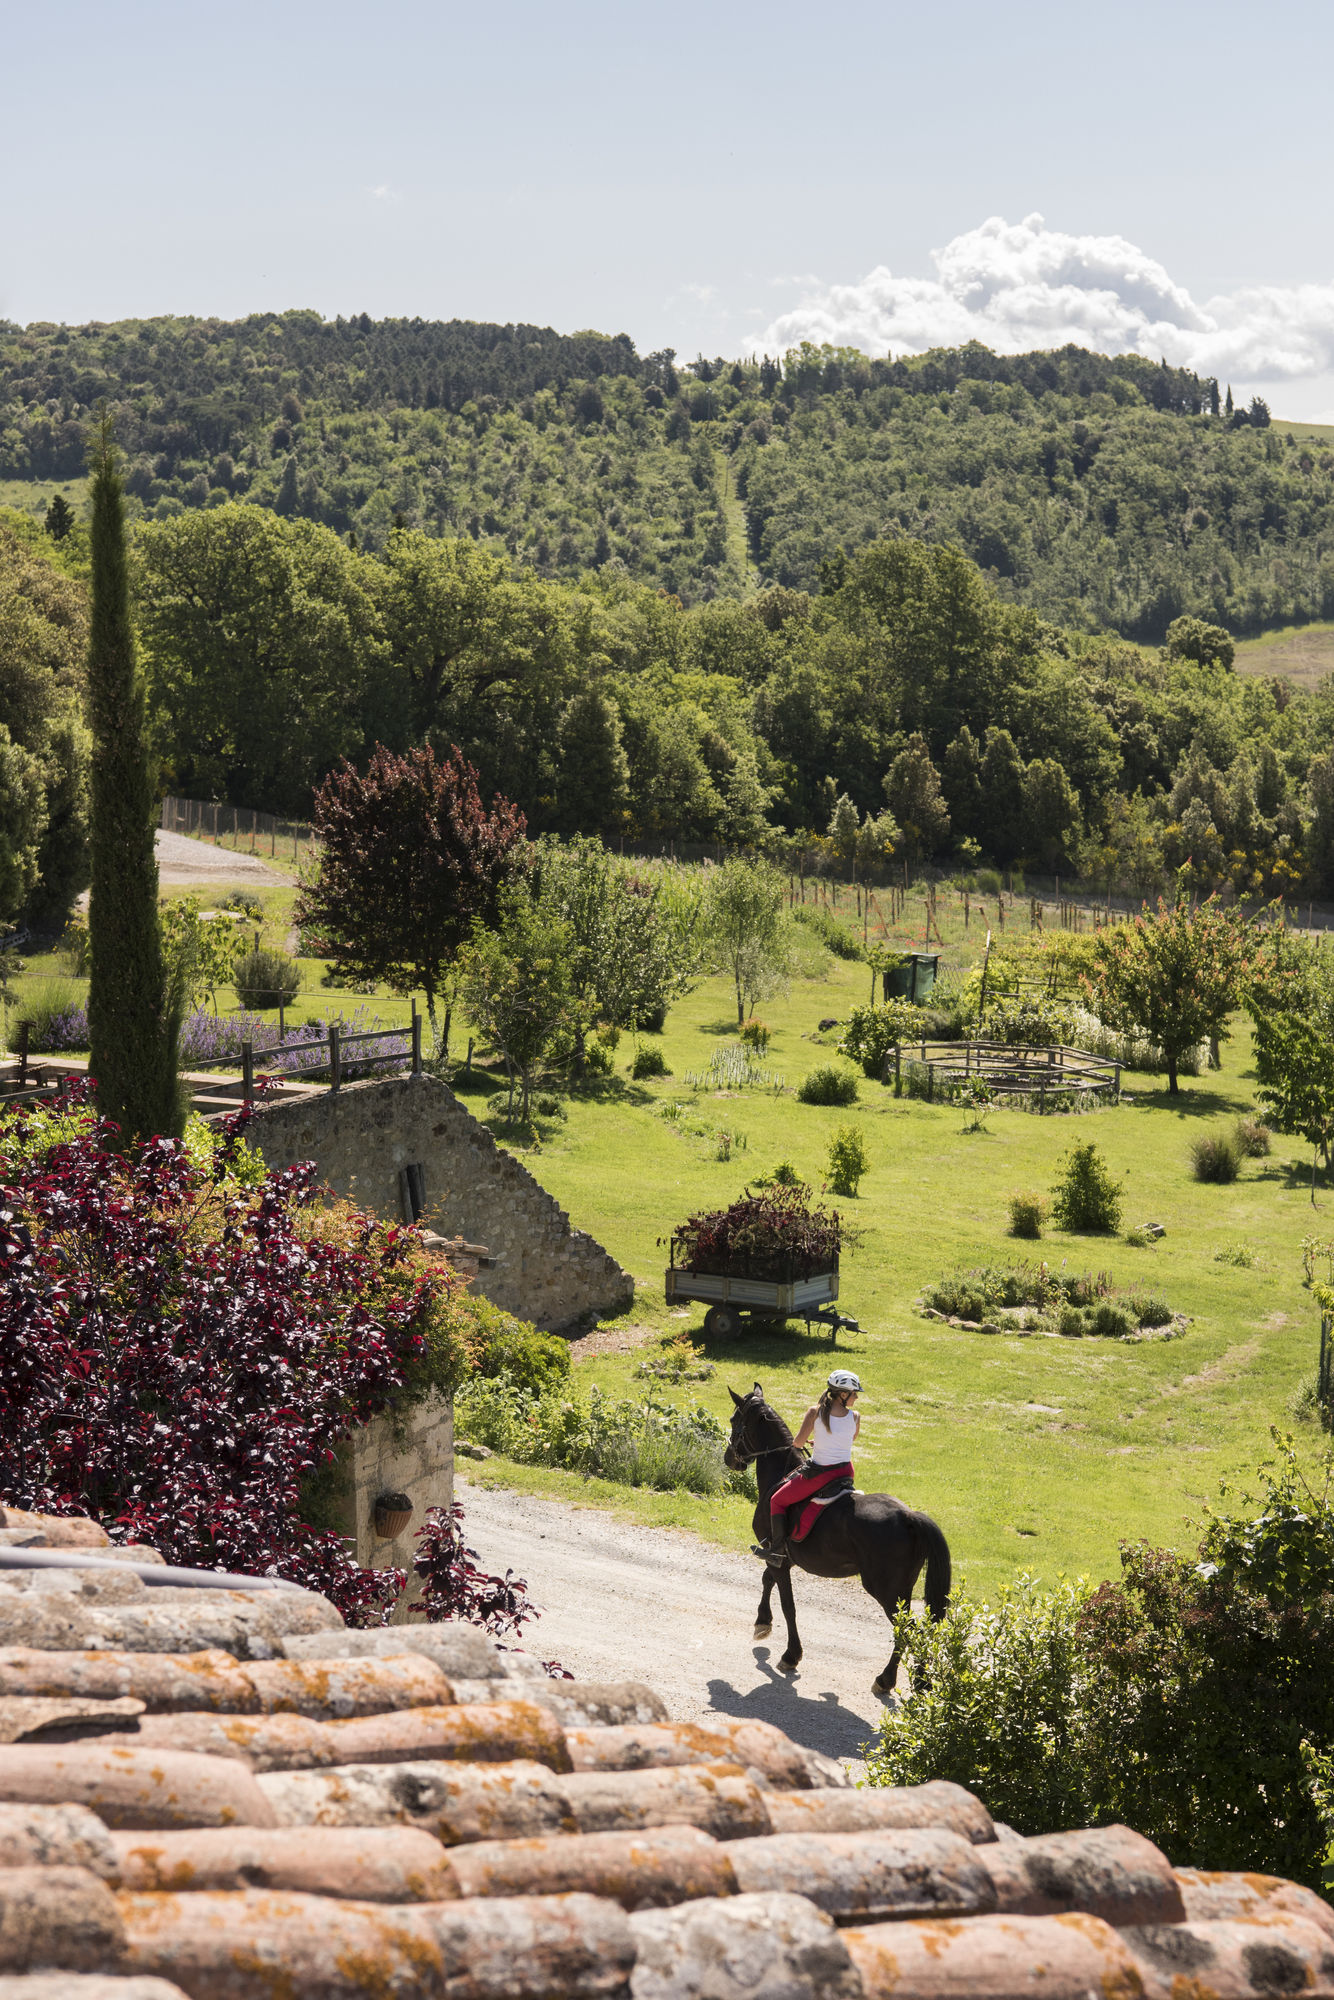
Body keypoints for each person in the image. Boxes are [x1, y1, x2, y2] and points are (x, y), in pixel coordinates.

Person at [753, 1370, 861, 1566]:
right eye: (854, 1393)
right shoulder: (855, 1416)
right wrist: (823, 1442)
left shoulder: (815, 1412)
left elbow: (797, 1443)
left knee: (776, 1500)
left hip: (822, 1474)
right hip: (846, 1471)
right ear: (842, 1394)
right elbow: (848, 1439)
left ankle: (777, 1551)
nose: (856, 1397)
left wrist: (816, 1441)